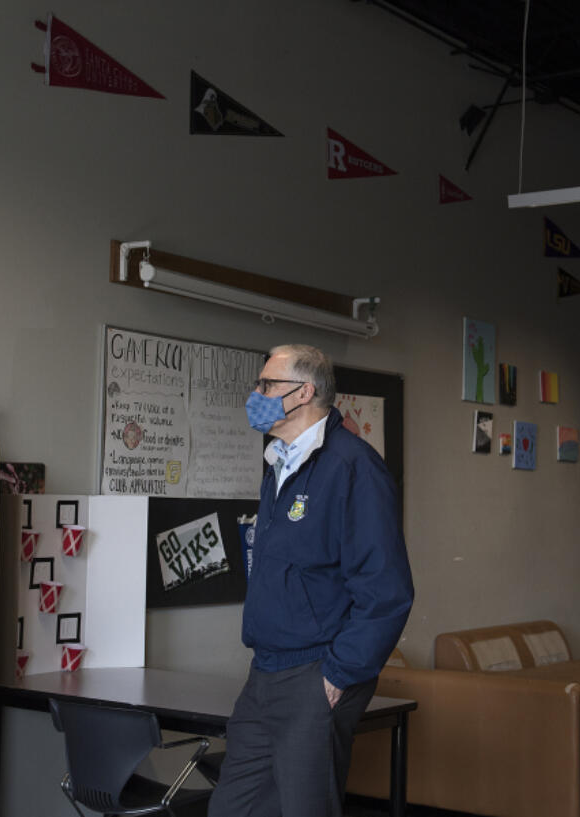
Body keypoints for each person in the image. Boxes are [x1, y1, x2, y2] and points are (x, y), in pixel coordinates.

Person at [208, 344, 414, 817]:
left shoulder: (353, 467)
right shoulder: (277, 461)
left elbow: (387, 591)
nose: (255, 395)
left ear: (304, 392)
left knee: (306, 808)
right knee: (231, 807)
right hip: (265, 671)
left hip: (316, 673)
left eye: (266, 386)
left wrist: (339, 675)